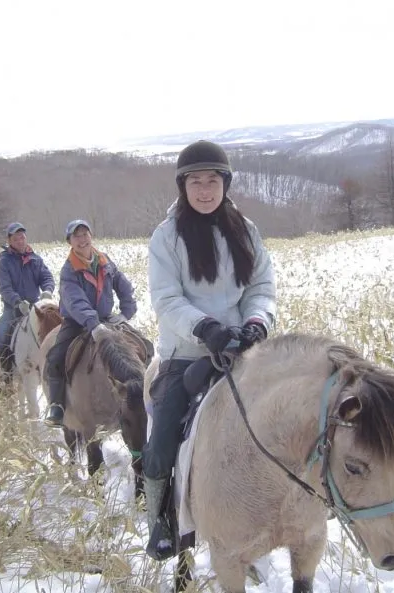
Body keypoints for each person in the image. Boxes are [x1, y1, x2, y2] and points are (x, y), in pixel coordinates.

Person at [142, 140, 277, 559]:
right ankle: (161, 519)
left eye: (213, 180)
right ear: (183, 186)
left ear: (226, 183)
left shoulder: (245, 230)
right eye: (196, 182)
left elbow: (261, 287)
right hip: (187, 352)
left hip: (240, 349)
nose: (205, 190)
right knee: (162, 438)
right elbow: (166, 300)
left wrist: (257, 322)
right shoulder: (166, 238)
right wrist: (205, 328)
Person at [44, 219, 138, 425]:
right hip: (77, 321)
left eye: (85, 234)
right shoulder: (69, 270)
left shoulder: (105, 261)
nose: (82, 239)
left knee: (143, 345)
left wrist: (126, 312)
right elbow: (74, 300)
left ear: (91, 236)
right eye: (76, 236)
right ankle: (57, 404)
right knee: (56, 357)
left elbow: (123, 285)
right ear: (70, 241)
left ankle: (144, 392)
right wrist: (92, 323)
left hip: (105, 317)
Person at [0, 222, 56, 382]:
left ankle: (56, 368)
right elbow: (5, 288)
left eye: (22, 237)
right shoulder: (4, 263)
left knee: (56, 328)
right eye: (16, 238)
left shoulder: (35, 259)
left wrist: (47, 290)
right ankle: (7, 374)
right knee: (1, 335)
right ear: (9, 241)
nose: (20, 241)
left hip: (35, 306)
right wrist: (17, 301)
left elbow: (47, 277)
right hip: (13, 309)